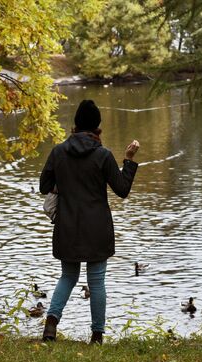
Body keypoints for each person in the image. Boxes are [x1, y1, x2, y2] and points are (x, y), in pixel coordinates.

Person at [39, 99, 140, 345]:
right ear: (97, 127)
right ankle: (96, 336)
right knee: (96, 282)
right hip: (97, 229)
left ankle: (51, 322)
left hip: (67, 227)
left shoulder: (58, 152)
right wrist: (128, 160)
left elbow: (44, 186)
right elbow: (122, 189)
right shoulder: (103, 155)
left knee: (68, 277)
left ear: (75, 124)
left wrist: (65, 181)